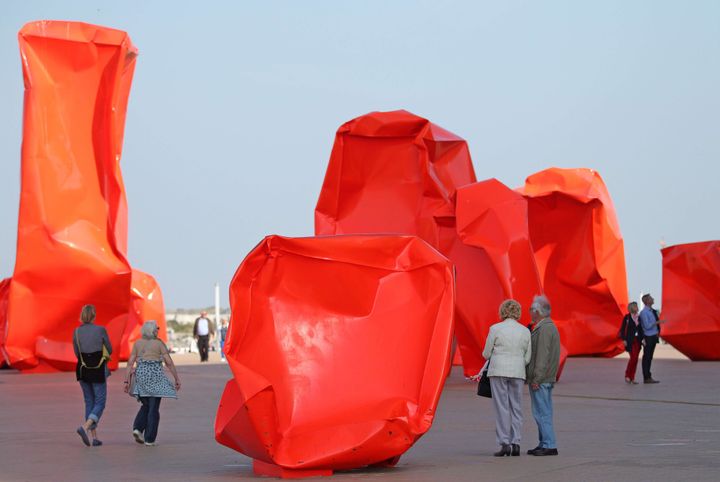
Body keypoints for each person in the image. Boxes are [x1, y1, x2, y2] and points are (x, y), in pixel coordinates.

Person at [479, 299, 532, 457]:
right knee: (516, 407)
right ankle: (516, 442)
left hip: (498, 370)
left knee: (501, 407)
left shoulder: (495, 329)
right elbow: (527, 357)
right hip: (517, 372)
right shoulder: (525, 331)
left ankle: (504, 443)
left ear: (502, 312)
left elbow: (486, 354)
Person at [124, 320, 181, 446]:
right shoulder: (159, 343)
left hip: (141, 377)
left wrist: (126, 380)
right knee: (153, 408)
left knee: (146, 405)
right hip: (155, 378)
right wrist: (176, 378)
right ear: (153, 331)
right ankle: (149, 439)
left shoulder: (137, 344)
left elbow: (130, 363)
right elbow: (169, 362)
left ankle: (138, 428)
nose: (158, 331)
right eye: (157, 329)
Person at [73, 304, 112, 447]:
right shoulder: (101, 330)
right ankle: (85, 426)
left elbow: (77, 353)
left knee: (89, 401)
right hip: (97, 370)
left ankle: (94, 438)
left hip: (83, 370)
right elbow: (110, 349)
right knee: (100, 402)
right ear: (94, 315)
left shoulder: (76, 332)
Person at [526, 295, 560, 456]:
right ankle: (543, 442)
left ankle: (549, 444)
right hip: (544, 377)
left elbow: (542, 355)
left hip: (541, 378)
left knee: (542, 412)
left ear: (538, 311)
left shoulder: (545, 328)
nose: (530, 312)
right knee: (541, 411)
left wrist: (536, 378)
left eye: (531, 309)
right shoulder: (545, 326)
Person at [639, 294, 664, 384]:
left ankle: (649, 376)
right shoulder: (644, 312)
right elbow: (647, 326)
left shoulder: (652, 311)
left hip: (653, 336)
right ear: (646, 301)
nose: (653, 299)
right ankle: (646, 377)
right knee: (647, 357)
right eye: (651, 298)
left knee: (649, 357)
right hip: (648, 337)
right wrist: (657, 322)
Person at [619, 302, 643, 384]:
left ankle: (632, 378)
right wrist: (624, 340)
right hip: (630, 341)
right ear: (632, 307)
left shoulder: (639, 318)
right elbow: (622, 330)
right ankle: (627, 375)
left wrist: (643, 339)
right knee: (633, 358)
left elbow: (641, 330)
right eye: (636, 306)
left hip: (638, 341)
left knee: (635, 359)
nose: (637, 307)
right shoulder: (627, 318)